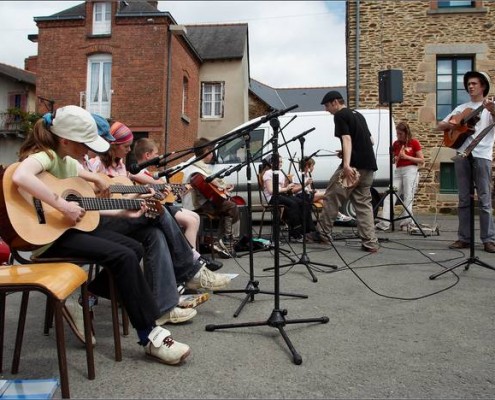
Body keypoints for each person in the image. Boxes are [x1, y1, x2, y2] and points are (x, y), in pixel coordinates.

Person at [12, 105, 190, 365]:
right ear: (64, 140)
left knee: (135, 249)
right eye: (85, 144)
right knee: (123, 255)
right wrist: (62, 205)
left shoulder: (66, 163)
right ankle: (150, 335)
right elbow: (20, 176)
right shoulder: (46, 156)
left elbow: (87, 204)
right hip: (47, 239)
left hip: (66, 232)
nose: (89, 150)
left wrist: (121, 213)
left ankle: (83, 297)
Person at [437, 71, 495, 253]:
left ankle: (488, 239)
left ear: (483, 86)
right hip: (463, 155)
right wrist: (454, 125)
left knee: (484, 199)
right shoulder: (462, 107)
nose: (470, 86)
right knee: (464, 199)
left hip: (483, 155)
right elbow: (440, 125)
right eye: (469, 84)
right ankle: (464, 238)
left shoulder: (490, 106)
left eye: (474, 83)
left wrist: (492, 109)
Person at [317, 90, 380, 252]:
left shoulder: (340, 115)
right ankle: (370, 243)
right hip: (368, 166)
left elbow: (347, 138)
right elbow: (370, 141)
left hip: (353, 167)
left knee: (331, 196)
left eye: (327, 106)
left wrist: (346, 164)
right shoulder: (358, 115)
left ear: (335, 103)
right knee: (364, 205)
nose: (326, 110)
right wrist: (345, 152)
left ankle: (323, 234)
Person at [130, 137, 202, 252]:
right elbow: (135, 176)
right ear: (148, 155)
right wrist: (161, 184)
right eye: (156, 154)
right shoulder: (137, 172)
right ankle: (191, 259)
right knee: (191, 221)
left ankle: (192, 256)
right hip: (149, 211)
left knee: (196, 217)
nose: (157, 157)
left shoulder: (149, 173)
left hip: (157, 207)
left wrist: (171, 192)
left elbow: (159, 195)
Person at [182, 137, 240, 255]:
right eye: (211, 151)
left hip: (201, 202)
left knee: (227, 208)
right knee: (231, 207)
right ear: (205, 152)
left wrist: (223, 188)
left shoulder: (197, 166)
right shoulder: (196, 171)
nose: (212, 154)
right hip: (196, 205)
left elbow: (210, 187)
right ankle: (224, 242)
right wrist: (221, 190)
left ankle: (222, 242)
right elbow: (207, 189)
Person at [375, 121, 424, 231]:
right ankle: (385, 223)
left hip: (410, 170)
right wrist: (395, 158)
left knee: (408, 196)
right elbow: (394, 159)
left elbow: (421, 160)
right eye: (397, 134)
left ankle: (407, 223)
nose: (398, 136)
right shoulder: (396, 144)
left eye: (400, 134)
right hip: (398, 171)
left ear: (406, 133)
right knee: (389, 195)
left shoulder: (414, 142)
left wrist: (406, 157)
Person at [260, 155, 316, 242]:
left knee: (303, 202)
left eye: (281, 162)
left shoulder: (281, 173)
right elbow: (271, 191)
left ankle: (306, 230)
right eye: (278, 162)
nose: (280, 164)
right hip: (272, 197)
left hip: (281, 195)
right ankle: (295, 233)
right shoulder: (268, 173)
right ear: (272, 163)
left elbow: (282, 188)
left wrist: (288, 185)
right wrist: (286, 188)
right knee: (293, 204)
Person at [299, 156, 355, 225]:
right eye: (312, 166)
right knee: (327, 193)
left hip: (309, 195)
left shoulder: (307, 175)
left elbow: (309, 189)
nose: (313, 168)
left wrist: (314, 190)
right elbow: (300, 189)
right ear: (307, 166)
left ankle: (337, 214)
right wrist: (307, 184)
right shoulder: (299, 175)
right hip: (303, 196)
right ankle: (337, 214)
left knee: (323, 200)